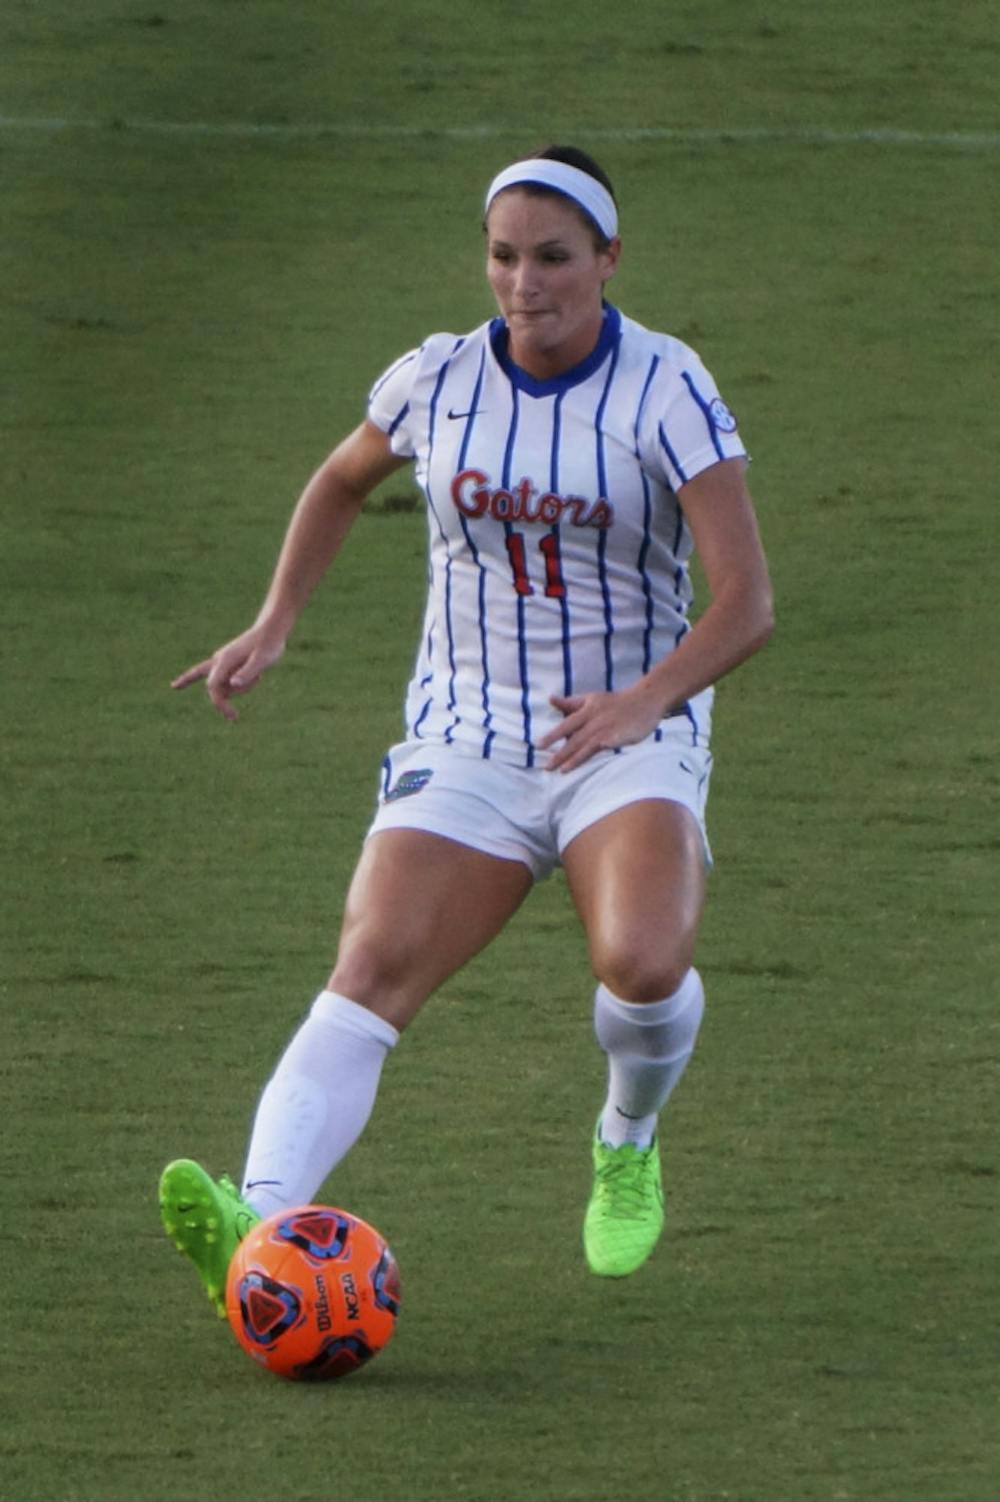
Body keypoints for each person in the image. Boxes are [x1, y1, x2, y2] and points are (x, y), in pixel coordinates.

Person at [159, 144, 774, 1309]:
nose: (523, 283)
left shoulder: (664, 386)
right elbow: (342, 479)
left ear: (607, 259)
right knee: (368, 970)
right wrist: (276, 619)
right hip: (468, 731)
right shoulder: (437, 377)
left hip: (628, 735)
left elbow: (747, 600)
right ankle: (259, 1223)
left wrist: (643, 701)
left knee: (642, 963)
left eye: (552, 257)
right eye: (502, 256)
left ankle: (626, 1139)